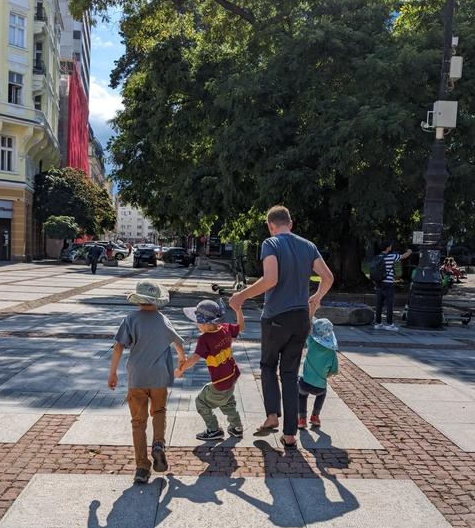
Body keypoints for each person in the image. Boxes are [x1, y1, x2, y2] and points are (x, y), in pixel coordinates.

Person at [229, 205, 334, 449]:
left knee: (268, 365)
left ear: (270, 225)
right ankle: (289, 434)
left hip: (276, 316)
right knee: (289, 373)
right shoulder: (308, 246)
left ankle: (272, 416)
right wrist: (316, 299)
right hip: (301, 318)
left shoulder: (271, 244)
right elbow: (327, 277)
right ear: (291, 223)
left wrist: (241, 297)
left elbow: (271, 279)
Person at [108, 281, 186, 484]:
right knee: (159, 412)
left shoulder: (130, 319)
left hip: (137, 377)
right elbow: (177, 342)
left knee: (138, 422)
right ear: (157, 300)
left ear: (139, 299)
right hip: (159, 376)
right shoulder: (163, 320)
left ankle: (142, 468)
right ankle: (158, 443)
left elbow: (118, 347)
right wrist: (181, 361)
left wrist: (113, 373)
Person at [175, 299, 245, 441]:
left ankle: (213, 430)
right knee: (227, 401)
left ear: (204, 323)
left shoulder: (205, 339)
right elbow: (241, 327)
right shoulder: (225, 328)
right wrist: (238, 310)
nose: (197, 324)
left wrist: (180, 370)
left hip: (219, 381)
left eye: (197, 322)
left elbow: (194, 359)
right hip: (231, 376)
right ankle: (236, 427)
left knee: (201, 402)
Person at [297, 318, 339, 430]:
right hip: (320, 386)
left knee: (301, 395)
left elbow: (306, 331)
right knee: (322, 394)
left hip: (305, 383)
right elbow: (334, 370)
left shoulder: (312, 342)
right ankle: (315, 416)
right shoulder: (332, 353)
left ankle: (301, 419)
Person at [374, 241, 413, 332]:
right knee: (389, 305)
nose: (391, 247)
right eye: (390, 246)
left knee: (379, 304)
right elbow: (404, 256)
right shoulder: (391, 257)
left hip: (379, 283)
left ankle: (378, 323)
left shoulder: (377, 257)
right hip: (388, 284)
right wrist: (410, 251)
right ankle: (389, 324)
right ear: (388, 248)